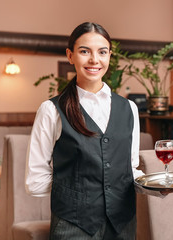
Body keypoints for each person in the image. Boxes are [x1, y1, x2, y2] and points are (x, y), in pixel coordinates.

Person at [25, 22, 144, 240]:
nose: (94, 60)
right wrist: (75, 192)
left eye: (102, 52)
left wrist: (154, 186)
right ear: (70, 56)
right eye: (84, 51)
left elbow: (130, 168)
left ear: (109, 56)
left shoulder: (130, 109)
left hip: (122, 224)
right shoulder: (51, 110)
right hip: (73, 226)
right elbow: (35, 181)